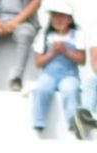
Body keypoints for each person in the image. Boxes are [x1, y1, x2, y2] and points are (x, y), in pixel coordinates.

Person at [29, 2, 86, 136]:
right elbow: (38, 62)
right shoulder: (44, 35)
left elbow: (82, 60)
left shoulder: (77, 35)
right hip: (49, 73)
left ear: (69, 19)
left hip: (69, 74)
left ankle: (73, 123)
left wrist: (65, 51)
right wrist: (52, 52)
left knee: (70, 90)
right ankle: (39, 122)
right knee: (42, 88)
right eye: (54, 17)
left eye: (61, 17)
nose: (57, 20)